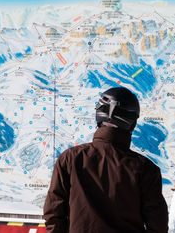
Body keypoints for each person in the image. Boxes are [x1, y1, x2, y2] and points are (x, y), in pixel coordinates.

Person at [43, 86, 168, 233]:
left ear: (99, 115)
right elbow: (157, 224)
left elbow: (53, 213)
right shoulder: (145, 169)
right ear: (132, 122)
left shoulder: (70, 159)